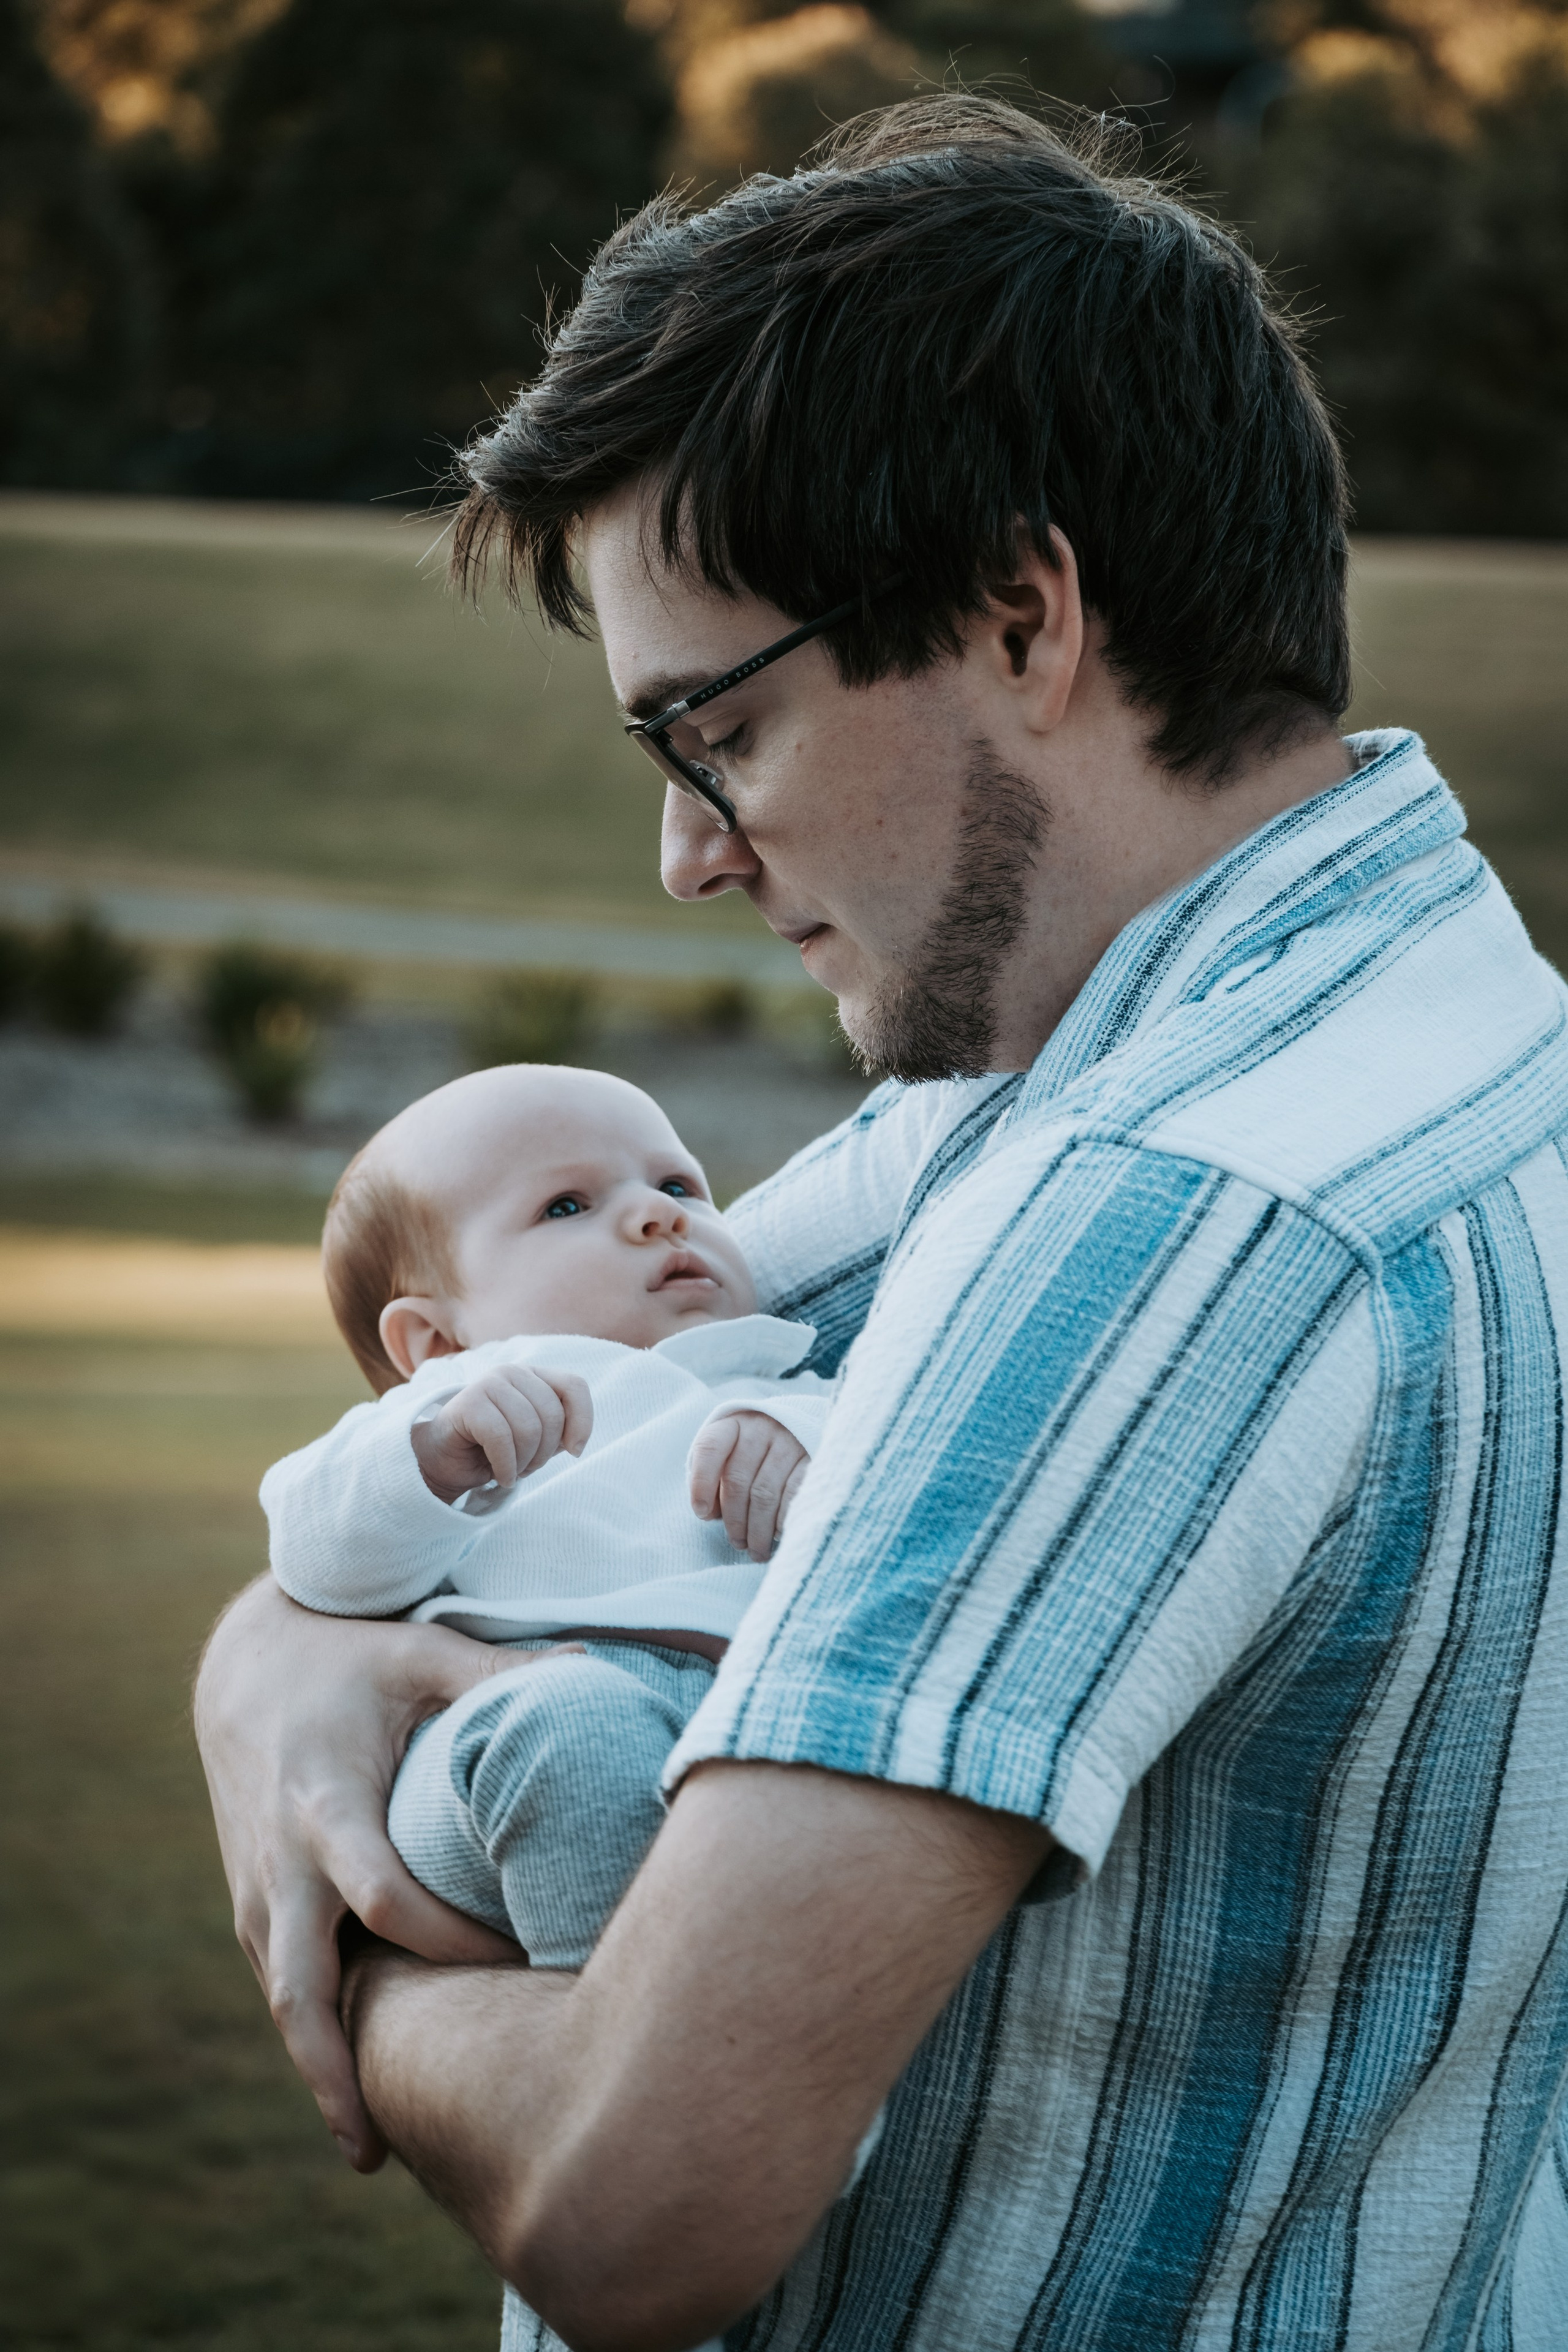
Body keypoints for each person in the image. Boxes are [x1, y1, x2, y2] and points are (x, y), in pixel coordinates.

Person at [195, 96, 1568, 2352]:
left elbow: (638, 2205)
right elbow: (604, 1358)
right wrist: (284, 1648)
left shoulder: (1160, 1218)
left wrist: (344, 1945)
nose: (692, 855)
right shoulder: (1421, 1032)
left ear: (1023, 616)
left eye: (710, 730)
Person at [262, 1061, 833, 1970]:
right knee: (576, 1730)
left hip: (742, 1729)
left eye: (678, 1183)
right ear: (436, 1339)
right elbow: (314, 1551)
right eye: (567, 1206)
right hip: (512, 1721)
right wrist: (437, 1452)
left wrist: (798, 1432)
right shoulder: (463, 1400)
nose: (659, 1213)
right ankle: (620, 2052)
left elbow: (899, 1471)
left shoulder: (786, 1383)